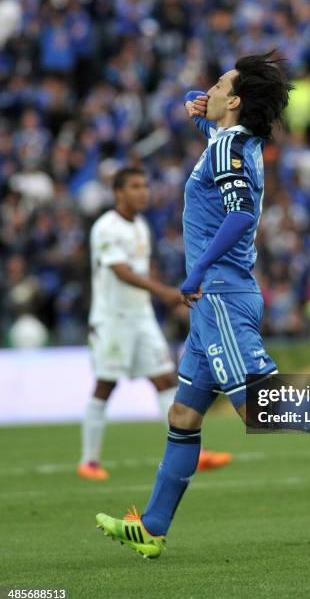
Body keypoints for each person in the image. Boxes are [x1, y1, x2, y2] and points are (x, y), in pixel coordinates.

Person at [96, 53, 310, 558]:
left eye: (217, 85)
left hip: (218, 294)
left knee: (258, 408)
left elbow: (236, 216)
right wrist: (200, 116)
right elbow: (224, 175)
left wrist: (195, 271)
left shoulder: (227, 146)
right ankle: (152, 526)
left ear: (233, 101)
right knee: (184, 414)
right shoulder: (237, 143)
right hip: (217, 297)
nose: (207, 89)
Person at [78, 166, 232, 481]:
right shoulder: (106, 227)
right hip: (112, 320)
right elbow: (121, 272)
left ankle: (193, 453)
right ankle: (89, 461)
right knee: (105, 385)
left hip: (141, 318)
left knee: (165, 381)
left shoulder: (141, 226)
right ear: (118, 192)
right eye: (135, 186)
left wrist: (168, 296)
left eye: (145, 185)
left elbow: (143, 273)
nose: (143, 192)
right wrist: (168, 294)